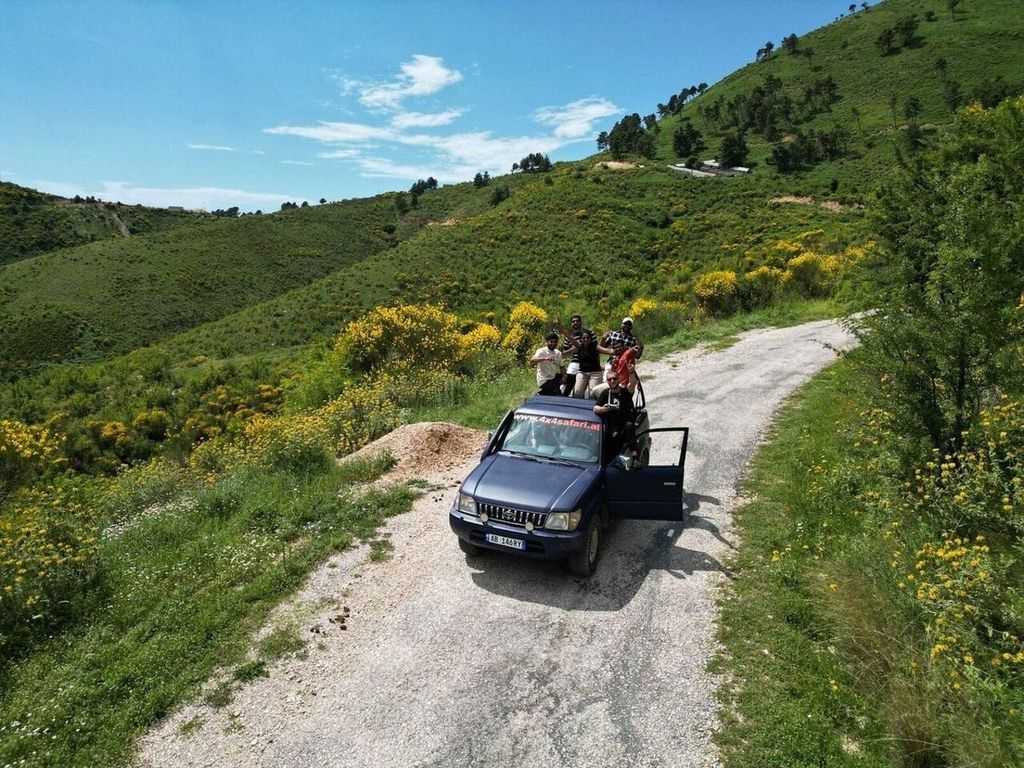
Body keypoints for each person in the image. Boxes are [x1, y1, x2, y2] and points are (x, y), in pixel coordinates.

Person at [593, 371, 635, 461]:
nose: (612, 381)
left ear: (618, 379)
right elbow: (595, 408)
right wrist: (604, 409)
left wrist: (631, 372)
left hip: (625, 426)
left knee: (629, 426)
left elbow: (632, 384)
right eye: (610, 379)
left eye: (615, 378)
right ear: (607, 381)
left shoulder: (625, 392)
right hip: (612, 427)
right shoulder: (605, 393)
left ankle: (635, 457)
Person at [571, 330, 613, 399]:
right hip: (582, 372)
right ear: (581, 339)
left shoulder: (595, 346)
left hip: (595, 373)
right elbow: (570, 337)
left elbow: (608, 351)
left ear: (591, 339)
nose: (586, 339)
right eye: (584, 338)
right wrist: (561, 328)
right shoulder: (579, 346)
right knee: (577, 394)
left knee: (592, 395)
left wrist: (619, 350)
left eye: (588, 338)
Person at [558, 314, 590, 396]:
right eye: (573, 321)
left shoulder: (587, 334)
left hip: (587, 361)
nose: (575, 322)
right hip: (575, 361)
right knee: (569, 379)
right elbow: (564, 354)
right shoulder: (568, 337)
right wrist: (572, 350)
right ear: (571, 323)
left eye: (577, 321)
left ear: (581, 322)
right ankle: (565, 397)